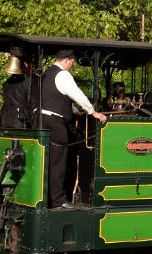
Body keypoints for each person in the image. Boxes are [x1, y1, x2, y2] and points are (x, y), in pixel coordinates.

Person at [40, 49, 108, 210]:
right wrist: (93, 112)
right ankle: (58, 201)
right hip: (56, 123)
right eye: (72, 62)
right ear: (66, 60)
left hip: (42, 121)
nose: (72, 65)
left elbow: (59, 97)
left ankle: (46, 198)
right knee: (58, 163)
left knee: (47, 162)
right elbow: (77, 94)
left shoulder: (46, 74)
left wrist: (77, 113)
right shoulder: (63, 75)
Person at [0, 52, 38, 129]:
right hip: (21, 122)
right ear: (26, 65)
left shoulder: (7, 82)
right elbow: (33, 103)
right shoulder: (29, 82)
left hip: (5, 121)